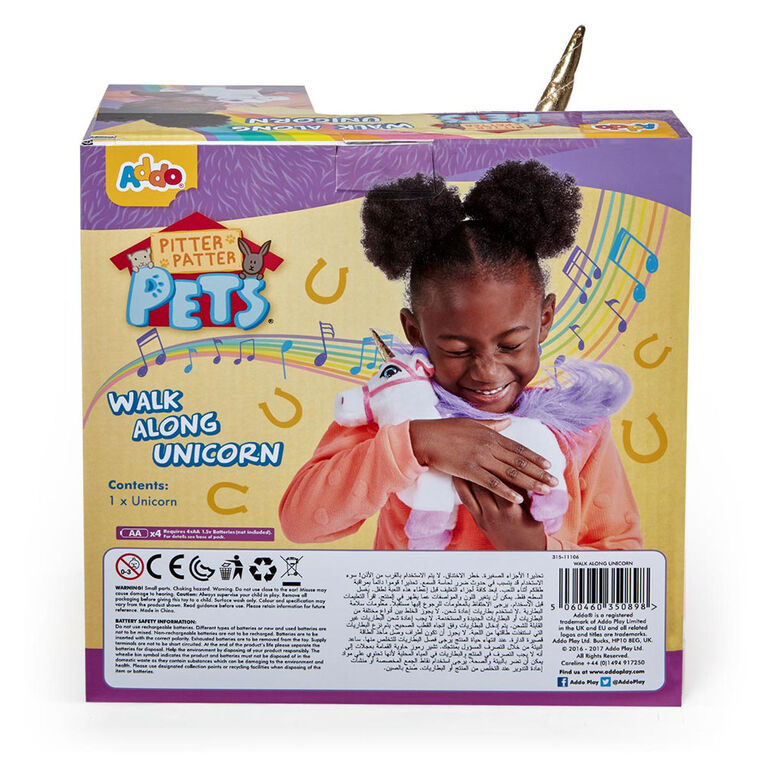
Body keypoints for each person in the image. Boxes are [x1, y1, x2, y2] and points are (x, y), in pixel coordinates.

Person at [279, 160, 642, 551]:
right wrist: (417, 442)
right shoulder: (395, 409)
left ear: (544, 319)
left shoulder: (581, 430)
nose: (487, 371)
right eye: (457, 350)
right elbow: (299, 523)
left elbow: (624, 555)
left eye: (510, 345)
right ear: (415, 331)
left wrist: (533, 549)